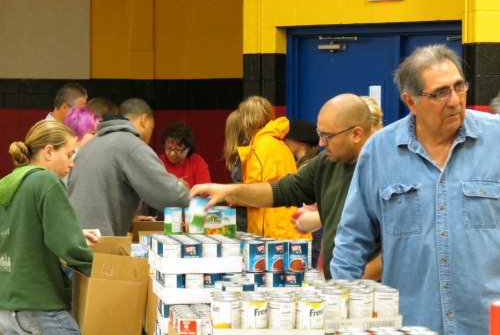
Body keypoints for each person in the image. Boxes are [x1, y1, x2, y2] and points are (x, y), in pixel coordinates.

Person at [331, 44, 500, 334]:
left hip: (485, 323)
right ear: (411, 101)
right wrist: (339, 311)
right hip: (413, 324)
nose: (455, 101)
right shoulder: (380, 152)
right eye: (440, 93)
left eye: (459, 87)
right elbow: (351, 240)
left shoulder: (496, 140)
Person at [190, 93, 380, 279]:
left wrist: (357, 286)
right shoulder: (325, 163)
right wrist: (230, 190)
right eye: (320, 135)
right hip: (340, 289)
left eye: (328, 136)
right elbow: (279, 190)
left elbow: (400, 246)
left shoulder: (384, 169)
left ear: (356, 134)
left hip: (375, 295)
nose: (321, 143)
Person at [0, 120, 95, 335]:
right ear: (49, 151)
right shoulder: (46, 181)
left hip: (6, 310)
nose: (71, 164)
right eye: (70, 155)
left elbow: (19, 232)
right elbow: (69, 246)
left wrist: (73, 231)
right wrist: (104, 272)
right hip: (40, 306)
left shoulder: (6, 183)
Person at [67, 98, 190, 236]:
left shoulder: (91, 145)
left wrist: (132, 219)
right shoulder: (132, 145)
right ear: (144, 120)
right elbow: (173, 197)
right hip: (97, 244)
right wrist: (198, 203)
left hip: (73, 238)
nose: (150, 134)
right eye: (152, 127)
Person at [235, 95, 307, 240]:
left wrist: (232, 196)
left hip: (272, 231)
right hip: (289, 226)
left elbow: (256, 192)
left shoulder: (261, 146)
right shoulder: (280, 144)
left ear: (246, 121)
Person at [285, 119, 322, 268]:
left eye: (289, 138)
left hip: (311, 230)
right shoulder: (303, 165)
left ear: (301, 142)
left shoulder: (307, 168)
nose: (286, 142)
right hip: (310, 227)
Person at [159, 121, 211, 189]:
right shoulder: (159, 162)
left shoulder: (197, 161)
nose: (172, 153)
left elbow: (205, 193)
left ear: (188, 149)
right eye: (168, 148)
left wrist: (187, 192)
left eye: (177, 149)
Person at [223, 109, 250, 232]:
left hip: (246, 223)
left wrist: (229, 196)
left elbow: (247, 193)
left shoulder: (245, 157)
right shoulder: (246, 155)